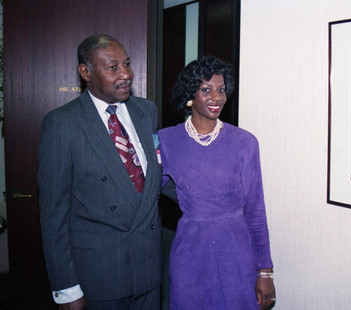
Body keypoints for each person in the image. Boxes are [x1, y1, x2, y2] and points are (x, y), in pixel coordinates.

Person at [38, 34, 163, 309]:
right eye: (113, 67)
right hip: (99, 279)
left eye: (127, 64)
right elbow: (53, 215)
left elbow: (154, 178)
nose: (126, 74)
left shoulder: (147, 111)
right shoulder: (62, 124)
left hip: (149, 274)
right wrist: (67, 289)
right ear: (86, 72)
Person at [158, 56, 276, 309]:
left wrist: (264, 272)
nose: (217, 97)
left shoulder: (244, 142)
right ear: (190, 94)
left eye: (221, 90)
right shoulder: (166, 140)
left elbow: (256, 211)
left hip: (235, 251)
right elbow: (147, 191)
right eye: (206, 89)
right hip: (189, 253)